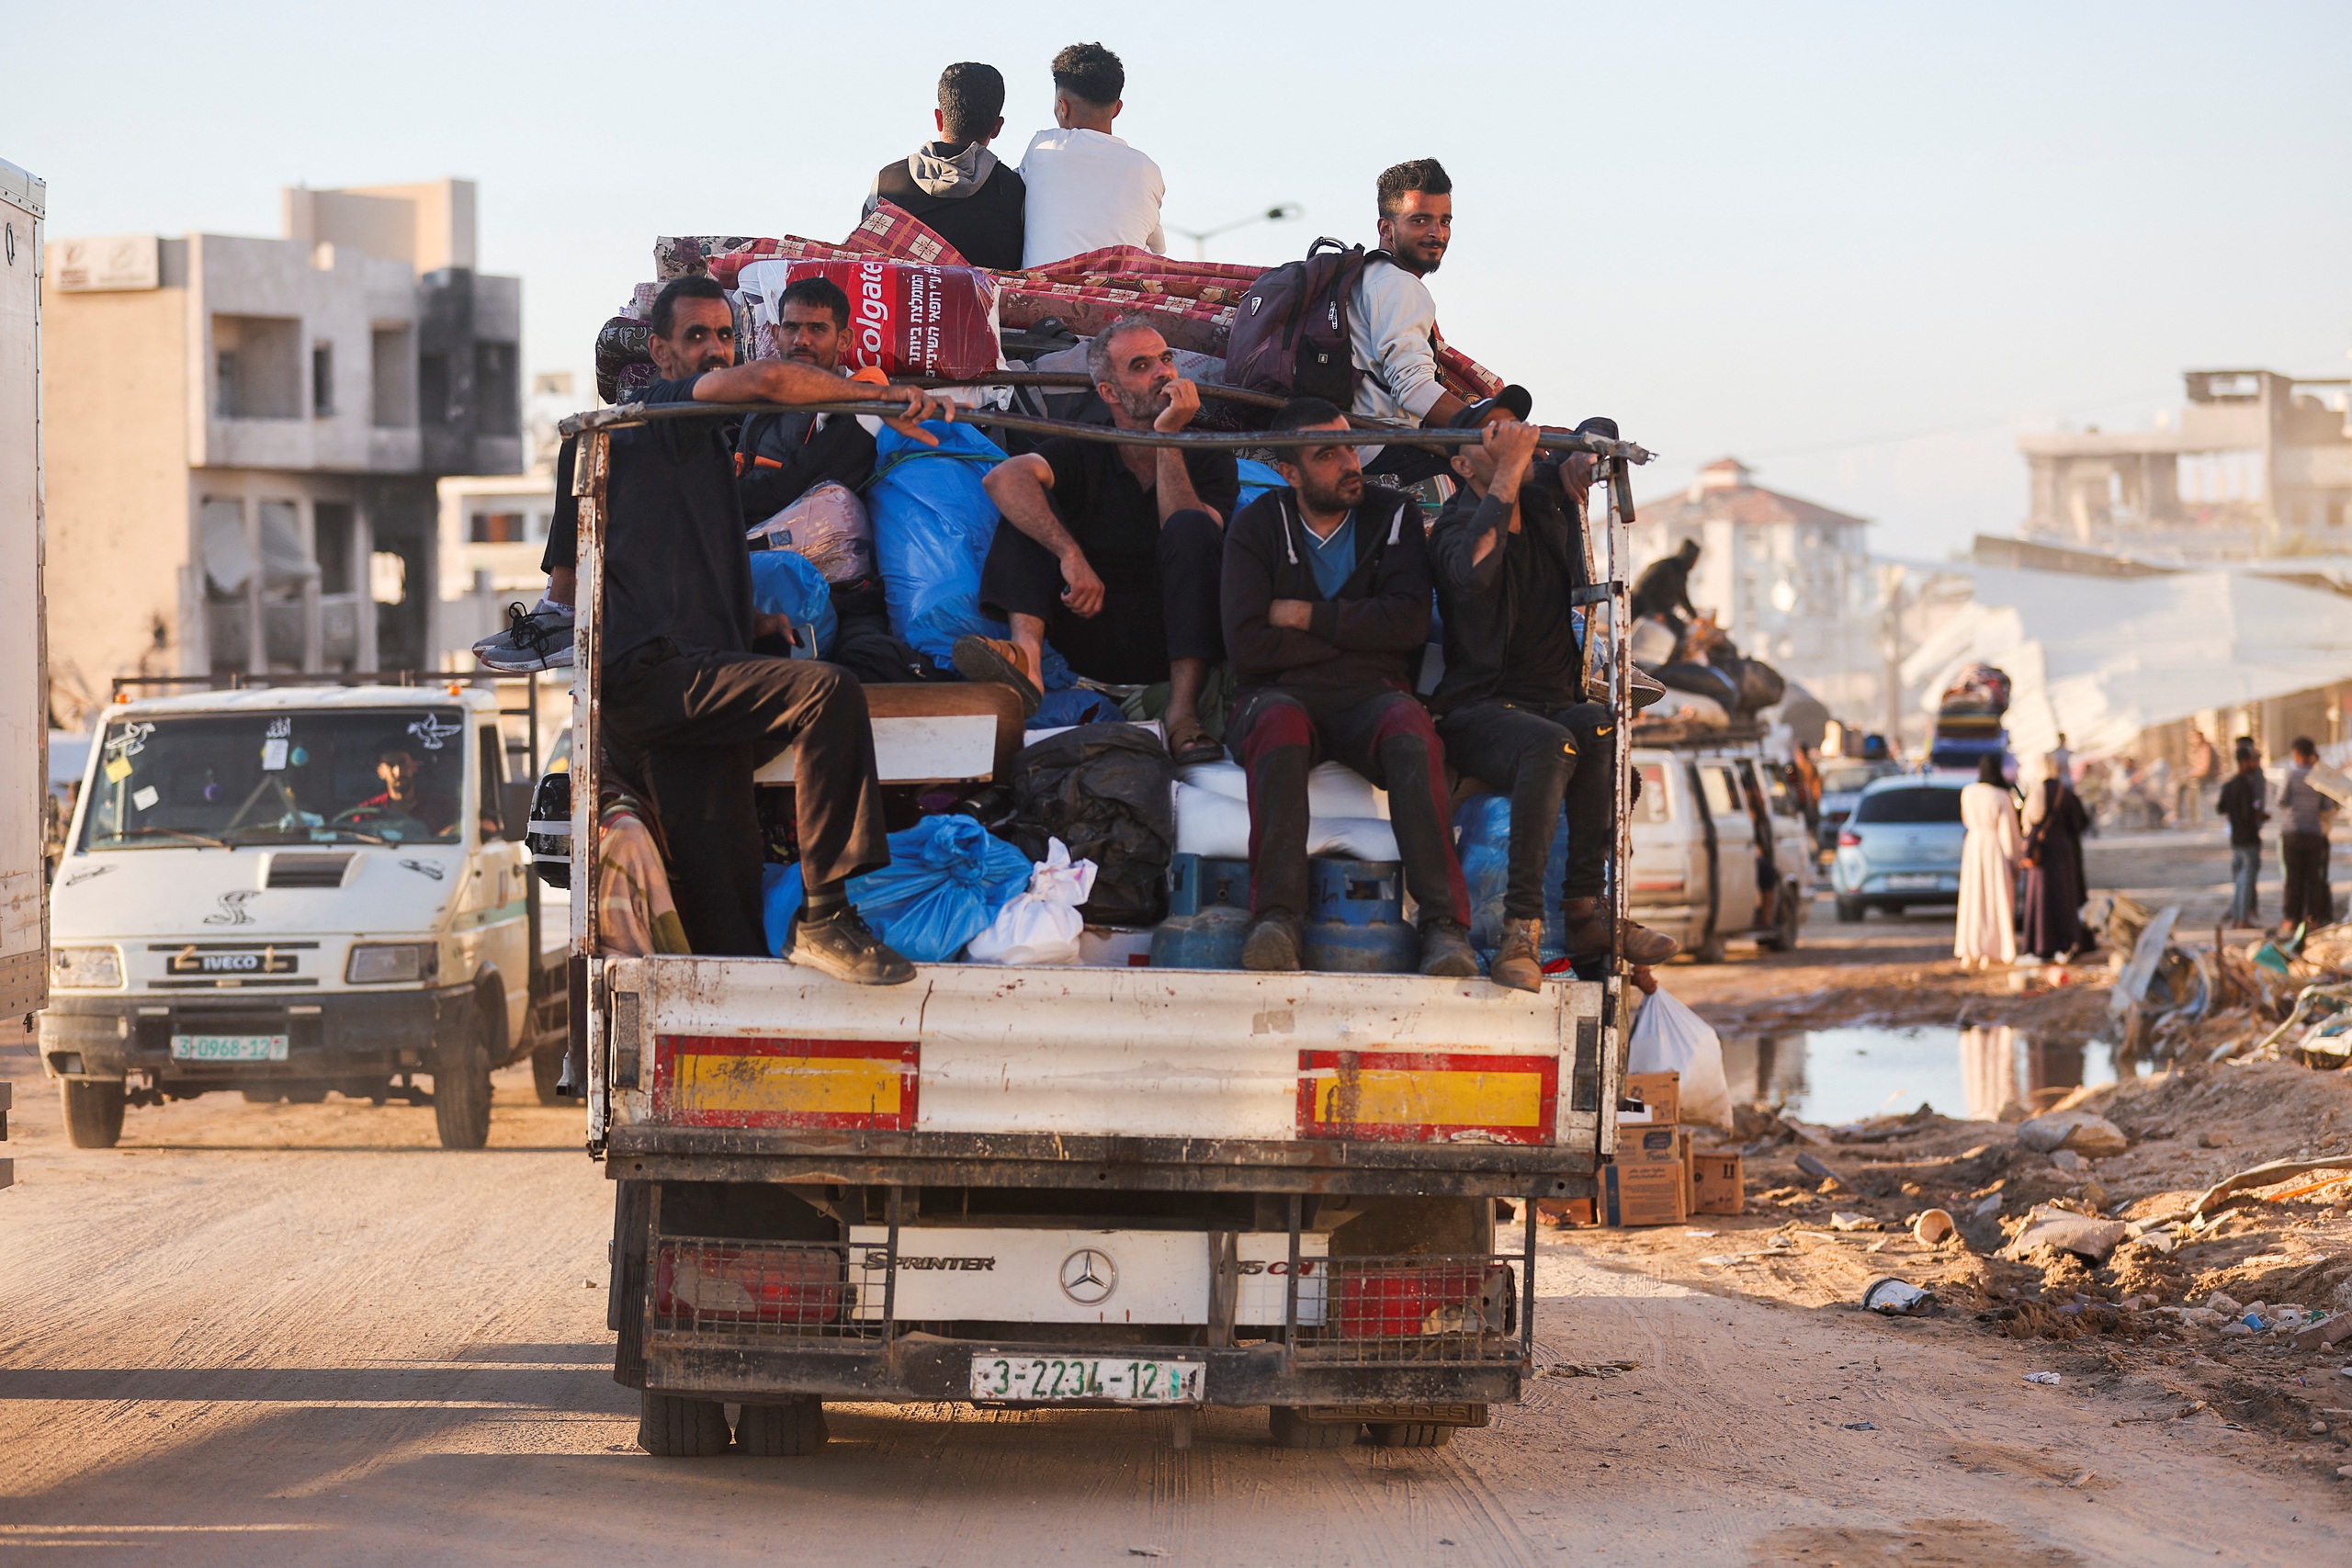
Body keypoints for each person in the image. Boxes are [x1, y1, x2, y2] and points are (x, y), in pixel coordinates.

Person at [592, 275, 954, 981]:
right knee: (827, 693)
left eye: (724, 336)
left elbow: (590, 579)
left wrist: (752, 619)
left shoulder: (706, 456)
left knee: (728, 921)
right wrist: (874, 397)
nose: (714, 352)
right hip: (655, 680)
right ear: (662, 354)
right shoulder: (653, 415)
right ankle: (825, 915)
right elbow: (763, 381)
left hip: (695, 690)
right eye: (695, 337)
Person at [1218, 397, 1477, 978]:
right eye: (1327, 454)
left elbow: (1409, 625)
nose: (1349, 462)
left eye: (1348, 446)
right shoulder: (1258, 525)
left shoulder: (1392, 514)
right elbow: (1248, 645)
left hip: (1373, 693)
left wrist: (1304, 616)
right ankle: (1276, 922)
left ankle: (1444, 927)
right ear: (1290, 472)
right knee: (1278, 727)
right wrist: (1363, 628)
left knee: (1412, 730)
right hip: (1279, 693)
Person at [1425, 407, 1679, 989]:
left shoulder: (1543, 509)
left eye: (1518, 428)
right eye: (1496, 434)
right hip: (1479, 708)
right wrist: (1511, 469)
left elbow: (1570, 475)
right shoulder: (1456, 529)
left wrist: (1585, 456)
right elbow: (1475, 575)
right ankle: (1522, 928)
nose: (1516, 438)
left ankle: (1589, 913)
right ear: (1463, 464)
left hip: (1550, 700)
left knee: (1599, 728)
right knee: (1551, 746)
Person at [965, 316, 1235, 761]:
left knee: (1194, 528)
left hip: (1168, 639)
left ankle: (1183, 715)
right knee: (1028, 502)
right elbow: (1002, 479)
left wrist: (1167, 438)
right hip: (1085, 628)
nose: (1164, 373)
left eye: (1166, 360)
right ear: (1109, 392)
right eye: (1142, 365)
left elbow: (1186, 528)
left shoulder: (1209, 458)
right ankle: (1027, 664)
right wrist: (1069, 554)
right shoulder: (1082, 447)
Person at [1349, 159, 1479, 486]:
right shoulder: (1400, 285)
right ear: (1386, 229)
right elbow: (1413, 387)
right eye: (1420, 220)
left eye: (1444, 220)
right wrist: (1489, 429)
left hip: (1357, 443)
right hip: (1381, 449)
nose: (1437, 233)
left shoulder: (1365, 276)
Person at [735, 276, 878, 521]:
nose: (801, 339)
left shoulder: (865, 400)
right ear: (776, 334)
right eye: (791, 327)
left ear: (843, 340)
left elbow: (800, 485)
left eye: (817, 329)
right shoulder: (762, 393)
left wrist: (709, 501)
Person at [865, 62, 1026, 271]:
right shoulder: (1014, 191)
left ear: (939, 119)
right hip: (984, 305)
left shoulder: (887, 183)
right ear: (997, 127)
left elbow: (865, 261)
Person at [1017, 43, 1165, 267]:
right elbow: (1158, 247)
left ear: (1062, 107)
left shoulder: (1043, 147)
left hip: (1044, 294)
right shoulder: (1147, 169)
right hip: (1116, 299)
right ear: (1117, 109)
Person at [2020, 750, 2091, 960]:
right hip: (2064, 852)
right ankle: (2066, 944)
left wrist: (2028, 850)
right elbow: (2079, 823)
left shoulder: (2039, 791)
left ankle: (2042, 947)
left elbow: (2034, 822)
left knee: (2042, 901)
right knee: (2064, 899)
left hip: (2044, 853)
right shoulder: (2065, 791)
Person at [1954, 755, 2021, 969]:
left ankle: (1971, 950)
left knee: (1973, 900)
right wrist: (2015, 862)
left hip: (1974, 846)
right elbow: (2009, 833)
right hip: (1994, 848)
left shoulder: (1968, 792)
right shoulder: (2002, 796)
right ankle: (1993, 950)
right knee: (1994, 899)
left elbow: (1966, 819)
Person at [2278, 736, 2337, 932]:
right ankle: (2313, 919)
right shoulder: (2317, 777)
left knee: (2293, 878)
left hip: (2292, 832)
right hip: (2314, 833)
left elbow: (2281, 801)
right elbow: (2328, 805)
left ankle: (2290, 919)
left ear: (2296, 754)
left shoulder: (2290, 775)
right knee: (2314, 879)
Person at [349, 742, 458, 838]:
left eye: (403, 763)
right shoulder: (366, 813)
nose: (398, 772)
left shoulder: (442, 807)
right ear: (380, 772)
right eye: (390, 765)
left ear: (414, 766)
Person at [2218, 741, 2268, 926]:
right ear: (2245, 761)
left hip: (2236, 837)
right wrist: (2259, 816)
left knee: (2240, 880)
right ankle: (2241, 918)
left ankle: (2238, 915)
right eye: (2254, 760)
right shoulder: (2246, 785)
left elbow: (2221, 807)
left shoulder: (2230, 784)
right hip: (2248, 838)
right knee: (2246, 881)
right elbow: (2249, 814)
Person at [1631, 538, 1702, 629]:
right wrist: (1652, 613)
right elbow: (1641, 589)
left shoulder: (1681, 573)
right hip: (1642, 609)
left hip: (1660, 611)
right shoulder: (1665, 566)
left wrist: (1695, 617)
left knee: (1679, 627)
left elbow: (1682, 597)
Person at [2181, 728, 2219, 827]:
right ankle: (2182, 815)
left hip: (2207, 778)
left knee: (2192, 788)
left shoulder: (2207, 749)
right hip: (2201, 777)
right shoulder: (2201, 749)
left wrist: (2191, 774)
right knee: (2181, 785)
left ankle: (2195, 818)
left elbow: (2204, 769)